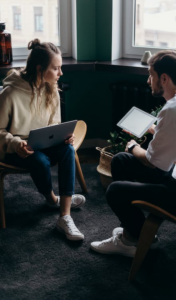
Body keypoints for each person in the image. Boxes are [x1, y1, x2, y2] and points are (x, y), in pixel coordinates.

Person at [91, 50, 176, 257]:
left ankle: (136, 239)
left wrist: (133, 146)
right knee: (121, 161)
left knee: (115, 190)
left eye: (151, 75)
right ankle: (133, 233)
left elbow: (152, 162)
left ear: (164, 78)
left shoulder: (175, 109)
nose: (149, 81)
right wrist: (156, 130)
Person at [0, 39, 85, 241]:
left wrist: (64, 137)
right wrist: (15, 144)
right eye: (56, 68)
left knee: (68, 150)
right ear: (40, 69)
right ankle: (52, 199)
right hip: (15, 150)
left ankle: (64, 216)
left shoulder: (51, 88)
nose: (60, 73)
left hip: (42, 144)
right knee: (40, 160)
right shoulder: (10, 92)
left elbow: (54, 125)